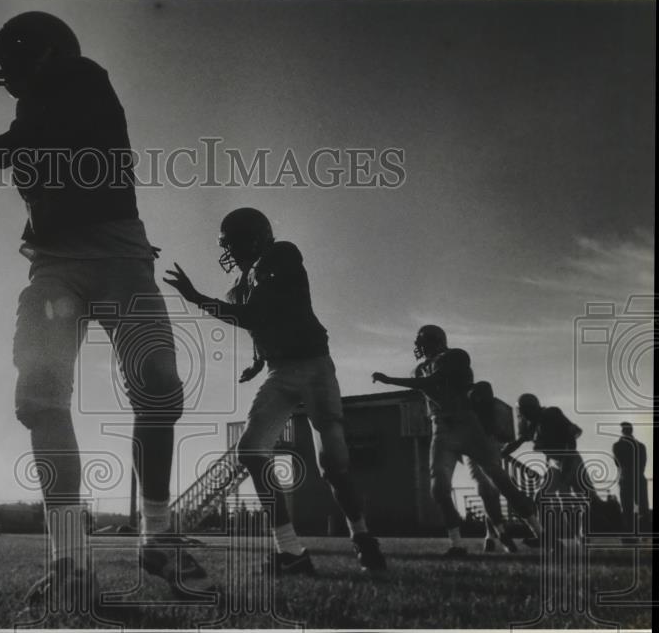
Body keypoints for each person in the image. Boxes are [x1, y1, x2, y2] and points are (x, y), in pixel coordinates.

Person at [0, 11, 210, 612]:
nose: (8, 67)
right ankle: (70, 563)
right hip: (53, 265)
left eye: (18, 51)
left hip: (117, 254)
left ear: (51, 51)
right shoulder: (37, 106)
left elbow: (20, 147)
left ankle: (157, 538)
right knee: (41, 396)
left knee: (158, 385)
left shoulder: (83, 78)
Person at [164, 207, 386, 574]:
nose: (230, 252)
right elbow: (259, 324)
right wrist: (257, 358)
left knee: (333, 466)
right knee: (251, 450)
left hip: (314, 365)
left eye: (234, 243)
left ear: (255, 238)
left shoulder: (282, 255)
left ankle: (362, 537)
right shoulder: (243, 283)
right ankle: (291, 551)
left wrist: (195, 296)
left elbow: (259, 313)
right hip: (280, 371)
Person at [372, 326, 542, 556]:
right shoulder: (418, 369)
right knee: (439, 488)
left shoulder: (455, 356)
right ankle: (456, 543)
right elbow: (427, 385)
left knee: (499, 480)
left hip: (467, 423)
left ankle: (540, 532)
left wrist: (390, 380)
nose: (420, 347)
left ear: (436, 341)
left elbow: (434, 381)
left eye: (424, 341)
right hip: (440, 426)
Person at [465, 381, 519, 553]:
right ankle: (498, 534)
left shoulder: (494, 409)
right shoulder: (472, 409)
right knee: (486, 491)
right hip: (477, 450)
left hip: (488, 449)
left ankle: (492, 535)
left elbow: (505, 436)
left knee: (490, 492)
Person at [611, 422, 648, 543]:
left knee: (626, 508)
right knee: (642, 507)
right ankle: (644, 534)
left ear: (622, 432)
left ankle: (628, 536)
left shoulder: (617, 446)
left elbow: (617, 464)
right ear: (631, 431)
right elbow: (643, 465)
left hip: (625, 478)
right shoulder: (641, 446)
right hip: (639, 478)